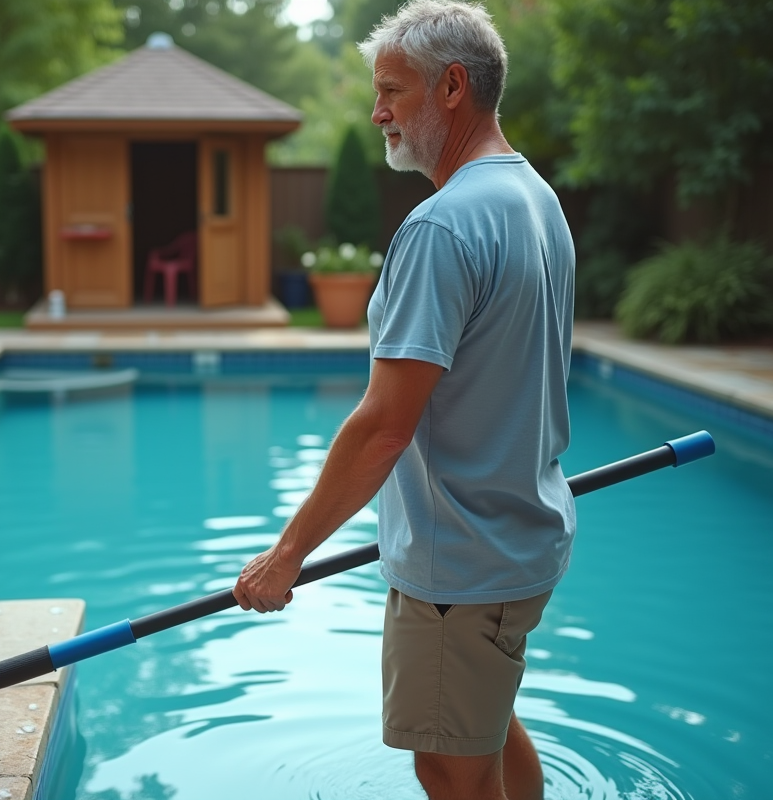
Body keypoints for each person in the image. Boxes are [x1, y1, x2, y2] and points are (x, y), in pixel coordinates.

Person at [232, 1, 576, 798]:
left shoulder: (441, 228)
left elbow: (385, 427)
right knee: (483, 726)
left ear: (452, 87)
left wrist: (288, 556)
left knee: (449, 765)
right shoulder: (537, 201)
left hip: (461, 564)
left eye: (393, 91)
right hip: (521, 540)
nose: (377, 112)